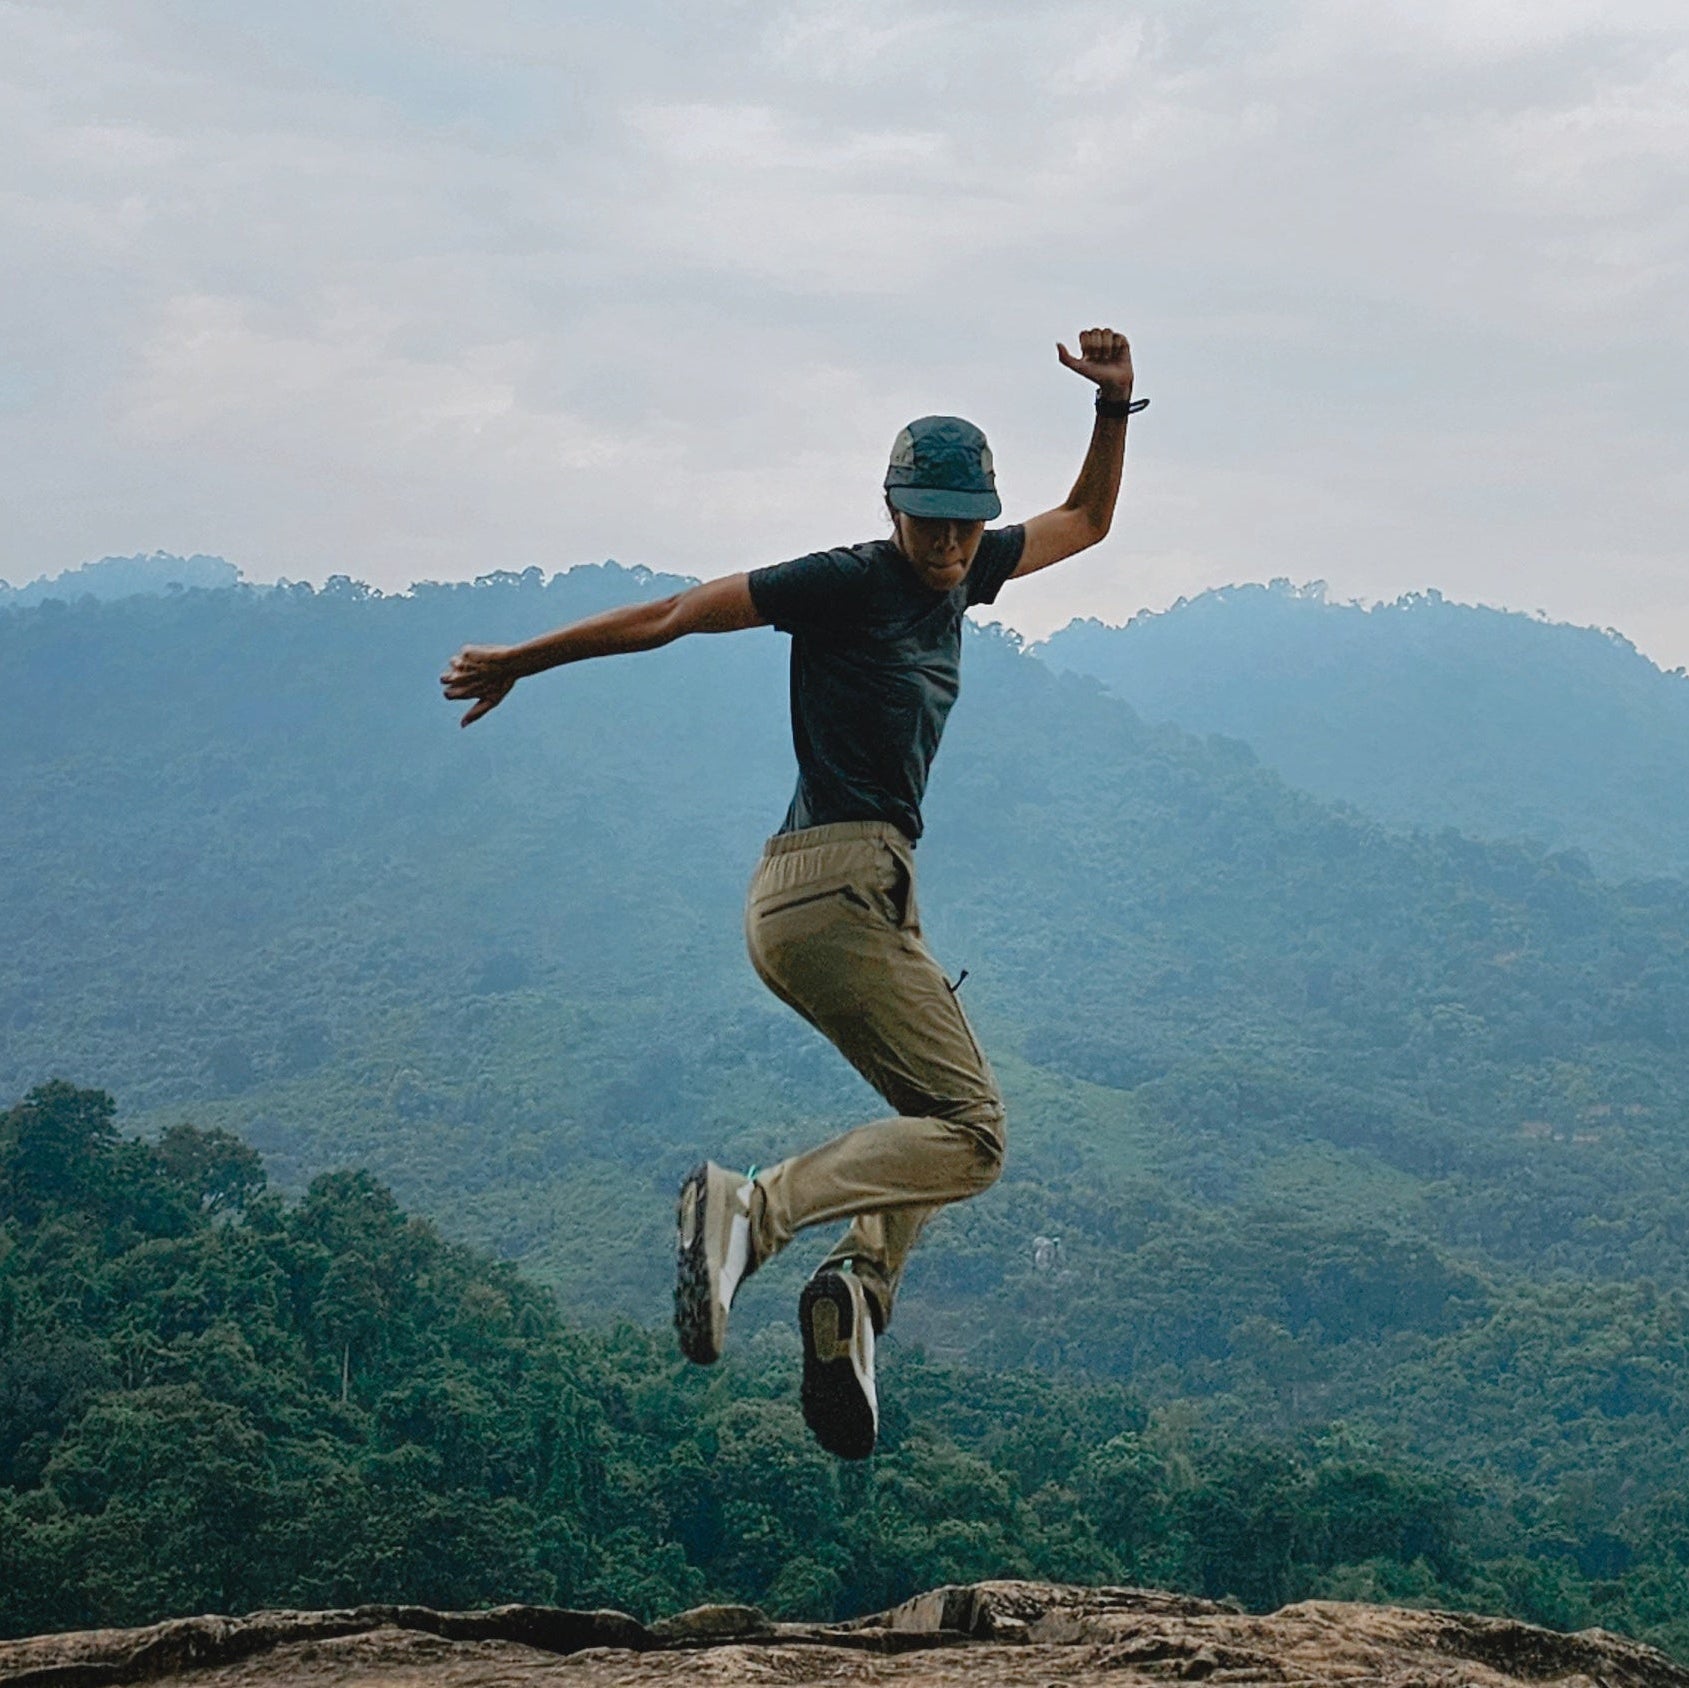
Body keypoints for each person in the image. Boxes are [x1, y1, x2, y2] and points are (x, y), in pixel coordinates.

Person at [442, 327, 1142, 1458]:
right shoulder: (846, 580)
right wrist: (525, 658)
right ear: (893, 509)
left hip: (849, 895)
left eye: (969, 520)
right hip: (832, 888)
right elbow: (676, 614)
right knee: (976, 1134)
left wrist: (1112, 408)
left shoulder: (964, 574)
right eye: (931, 520)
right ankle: (746, 1210)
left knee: (934, 1114)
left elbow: (1089, 522)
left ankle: (857, 1294)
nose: (954, 542)